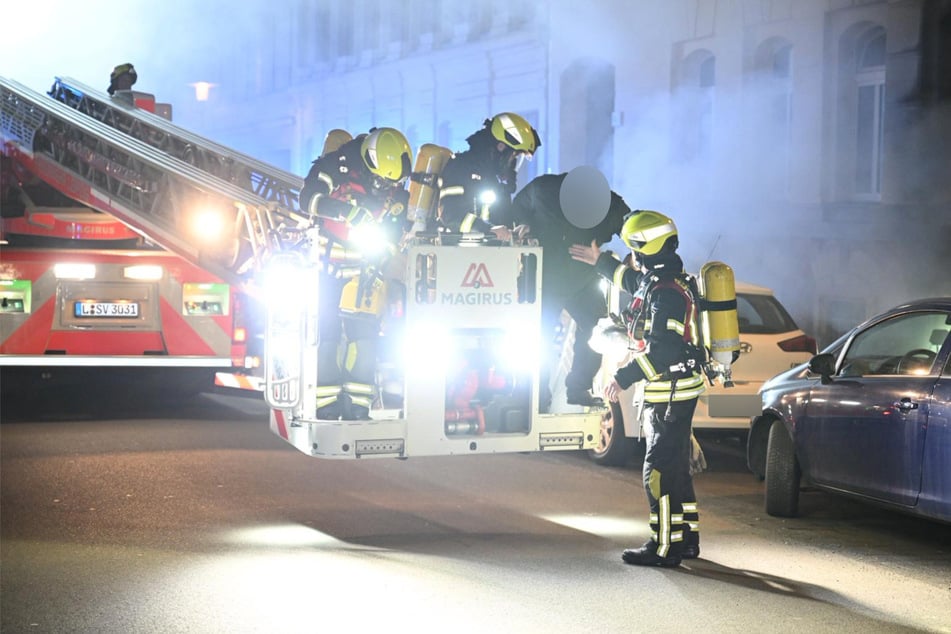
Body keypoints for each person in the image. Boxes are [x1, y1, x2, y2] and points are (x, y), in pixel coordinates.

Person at [569, 210, 705, 567]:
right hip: (677, 390)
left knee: (657, 471)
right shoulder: (664, 280)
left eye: (635, 249)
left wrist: (622, 378)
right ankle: (686, 539)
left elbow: (662, 352)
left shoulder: (668, 294)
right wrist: (602, 262)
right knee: (676, 468)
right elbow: (630, 281)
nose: (633, 257)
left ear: (647, 249)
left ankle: (663, 548)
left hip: (669, 394)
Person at [299, 127, 413, 420]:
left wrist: (381, 259)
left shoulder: (396, 192)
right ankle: (325, 406)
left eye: (389, 182)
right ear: (368, 162)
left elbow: (394, 233)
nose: (382, 187)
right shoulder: (336, 167)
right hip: (327, 272)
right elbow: (308, 200)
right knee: (327, 336)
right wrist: (344, 212)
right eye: (378, 180)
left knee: (364, 340)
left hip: (366, 275)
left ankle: (359, 407)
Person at [509, 171, 631, 409]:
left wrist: (633, 256)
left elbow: (630, 226)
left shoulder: (610, 203)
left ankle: (579, 387)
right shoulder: (543, 189)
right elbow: (517, 205)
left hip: (582, 280)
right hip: (543, 278)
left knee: (598, 330)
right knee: (535, 337)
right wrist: (521, 223)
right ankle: (531, 394)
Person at [437, 112, 540, 241]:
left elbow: (503, 218)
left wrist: (523, 226)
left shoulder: (494, 179)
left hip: (489, 255)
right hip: (458, 254)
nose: (512, 163)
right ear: (501, 147)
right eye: (513, 156)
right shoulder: (461, 166)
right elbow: (451, 214)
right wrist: (487, 230)